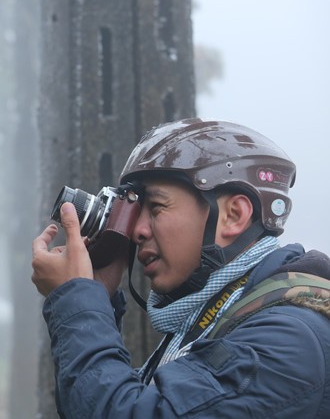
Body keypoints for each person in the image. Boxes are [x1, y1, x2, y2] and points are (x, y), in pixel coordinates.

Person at [31, 118, 330, 418]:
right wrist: (97, 295)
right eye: (135, 212)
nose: (137, 231)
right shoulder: (215, 324)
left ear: (234, 216)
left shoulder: (287, 342)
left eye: (156, 207)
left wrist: (77, 301)